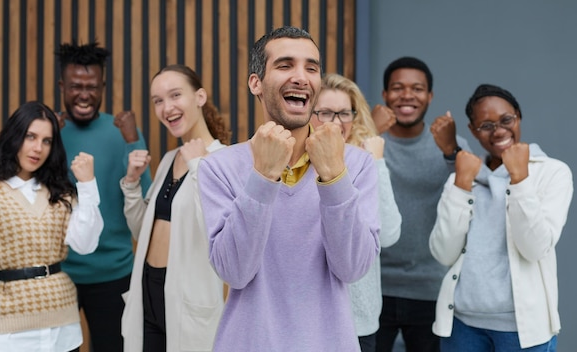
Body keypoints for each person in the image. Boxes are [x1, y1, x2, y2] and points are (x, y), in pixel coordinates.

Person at [197, 26, 380, 351]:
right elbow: (234, 273)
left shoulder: (357, 165)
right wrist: (263, 176)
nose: (301, 76)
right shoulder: (219, 168)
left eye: (311, 67)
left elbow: (352, 268)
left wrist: (334, 177)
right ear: (256, 82)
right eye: (285, 65)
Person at [429, 84, 572, 351]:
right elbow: (443, 253)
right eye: (486, 125)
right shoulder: (464, 176)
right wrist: (461, 183)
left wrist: (520, 180)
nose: (499, 131)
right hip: (462, 326)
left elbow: (535, 248)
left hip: (522, 331)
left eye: (507, 120)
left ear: (518, 116)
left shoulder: (553, 173)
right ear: (472, 130)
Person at [0, 101, 103, 352]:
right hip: (9, 328)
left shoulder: (61, 193)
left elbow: (86, 245)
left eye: (46, 141)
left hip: (62, 324)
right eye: (30, 136)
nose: (38, 148)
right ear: (14, 137)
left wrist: (88, 185)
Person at [120, 64, 230, 352]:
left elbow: (218, 231)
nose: (166, 107)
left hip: (188, 302)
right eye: (158, 100)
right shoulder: (169, 159)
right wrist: (132, 183)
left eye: (175, 95)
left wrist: (197, 167)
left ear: (200, 97)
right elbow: (142, 232)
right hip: (149, 293)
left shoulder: (225, 160)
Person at [55, 41, 152, 351]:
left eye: (92, 86)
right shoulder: (46, 134)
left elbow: (145, 197)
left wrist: (133, 141)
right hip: (58, 275)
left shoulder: (121, 133)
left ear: (103, 87)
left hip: (114, 273)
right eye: (75, 86)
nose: (84, 94)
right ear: (62, 86)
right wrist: (49, 138)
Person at [374, 56, 470, 352]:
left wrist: (452, 149)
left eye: (417, 89)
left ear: (429, 97)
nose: (406, 95)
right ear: (384, 96)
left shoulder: (453, 145)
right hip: (374, 286)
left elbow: (472, 197)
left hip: (432, 287)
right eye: (397, 88)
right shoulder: (367, 142)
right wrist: (367, 133)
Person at [310, 73, 402, 352]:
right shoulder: (293, 163)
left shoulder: (365, 164)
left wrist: (377, 163)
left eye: (344, 113)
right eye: (325, 113)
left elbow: (388, 235)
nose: (337, 123)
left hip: (358, 320)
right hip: (307, 316)